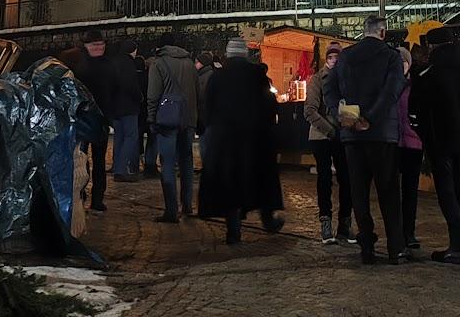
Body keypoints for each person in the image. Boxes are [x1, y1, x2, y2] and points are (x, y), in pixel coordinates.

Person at [325, 14, 406, 265]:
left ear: (364, 31)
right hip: (381, 134)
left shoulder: (346, 56)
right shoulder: (391, 56)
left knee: (359, 191)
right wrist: (371, 118)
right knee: (389, 191)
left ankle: (367, 246)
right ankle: (395, 248)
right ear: (382, 33)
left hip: (352, 134)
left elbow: (330, 89)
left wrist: (343, 116)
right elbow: (392, 90)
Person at [411, 38, 460, 266]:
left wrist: (427, 137)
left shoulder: (428, 75)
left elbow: (415, 114)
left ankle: (458, 247)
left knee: (447, 194)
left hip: (440, 144)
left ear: (434, 47)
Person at [198, 37, 284, 244]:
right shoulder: (257, 75)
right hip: (255, 140)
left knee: (230, 186)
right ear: (245, 54)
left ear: (228, 54)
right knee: (261, 181)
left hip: (225, 142)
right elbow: (270, 105)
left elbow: (207, 107)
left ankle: (233, 231)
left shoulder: (217, 78)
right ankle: (268, 221)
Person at [304, 40, 353, 245]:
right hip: (322, 136)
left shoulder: (348, 79)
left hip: (342, 136)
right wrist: (330, 130)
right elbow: (310, 110)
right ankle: (326, 222)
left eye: (337, 57)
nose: (334, 61)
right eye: (331, 57)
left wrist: (348, 127)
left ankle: (345, 224)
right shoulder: (318, 79)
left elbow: (350, 105)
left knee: (346, 179)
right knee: (324, 178)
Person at [147, 42, 201, 222]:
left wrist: (151, 118)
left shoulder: (158, 64)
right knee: (186, 162)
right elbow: (197, 92)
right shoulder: (190, 63)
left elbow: (153, 95)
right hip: (188, 119)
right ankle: (187, 206)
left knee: (168, 163)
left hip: (167, 120)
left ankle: (171, 210)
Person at [72, 28, 114, 212]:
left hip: (101, 118)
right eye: (94, 44)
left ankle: (98, 198)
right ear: (86, 46)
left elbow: (113, 90)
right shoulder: (78, 65)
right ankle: (80, 193)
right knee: (81, 159)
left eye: (101, 44)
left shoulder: (108, 64)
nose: (98, 47)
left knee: (99, 161)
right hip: (83, 118)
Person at [396, 46, 424, 249]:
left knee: (410, 191)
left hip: (413, 144)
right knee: (392, 189)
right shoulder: (388, 85)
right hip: (393, 143)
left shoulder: (415, 86)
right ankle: (396, 231)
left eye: (403, 62)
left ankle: (409, 231)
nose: (400, 66)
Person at [109, 41, 144, 182]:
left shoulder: (114, 62)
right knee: (131, 137)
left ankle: (116, 166)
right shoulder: (129, 64)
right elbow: (131, 85)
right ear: (133, 50)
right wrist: (139, 97)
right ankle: (121, 169)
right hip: (128, 106)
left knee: (119, 137)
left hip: (116, 107)